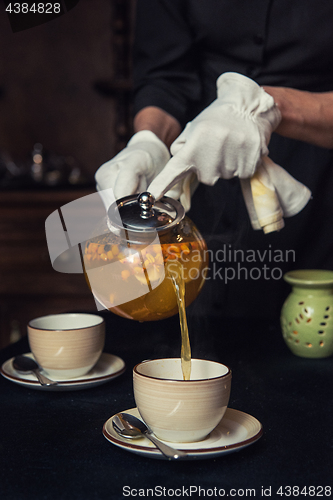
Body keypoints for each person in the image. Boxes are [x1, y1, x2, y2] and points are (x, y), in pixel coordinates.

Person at [95, 0, 333, 321]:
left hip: (320, 187)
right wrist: (148, 141)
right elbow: (165, 77)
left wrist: (268, 108)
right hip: (200, 166)